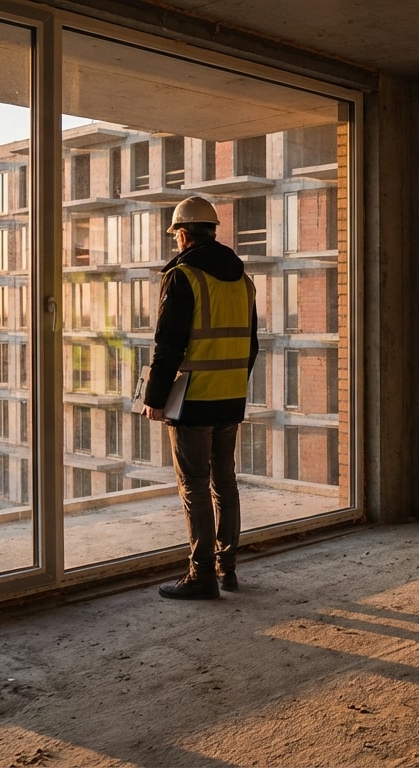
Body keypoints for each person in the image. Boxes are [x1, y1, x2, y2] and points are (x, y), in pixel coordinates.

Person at [141, 196, 258, 600]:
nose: (176, 243)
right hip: (232, 397)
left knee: (193, 485)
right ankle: (228, 568)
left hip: (194, 400)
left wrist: (155, 397)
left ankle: (201, 574)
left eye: (177, 236)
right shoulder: (243, 280)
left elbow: (167, 345)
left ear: (185, 235)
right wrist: (234, 385)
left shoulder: (184, 277)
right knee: (224, 482)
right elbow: (252, 345)